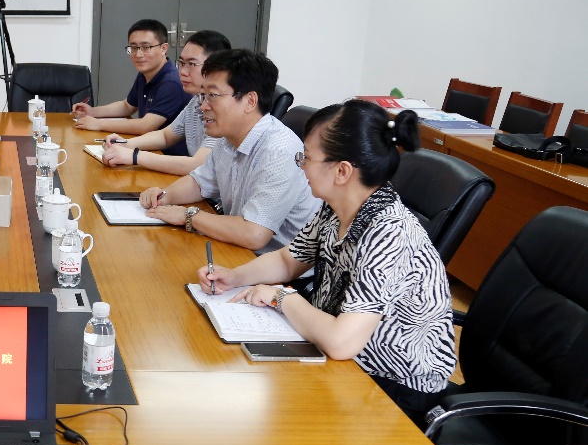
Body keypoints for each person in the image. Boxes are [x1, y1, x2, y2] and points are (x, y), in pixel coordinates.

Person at [199, 101, 455, 423]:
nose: (301, 166)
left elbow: (341, 342)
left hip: (393, 386)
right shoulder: (337, 206)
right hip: (342, 359)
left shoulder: (389, 234)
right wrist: (234, 277)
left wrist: (281, 296)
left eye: (306, 157)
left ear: (342, 171)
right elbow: (289, 260)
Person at [139, 49, 318, 253]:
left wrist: (189, 215)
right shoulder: (228, 138)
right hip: (239, 250)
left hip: (274, 264)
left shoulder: (279, 151)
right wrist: (165, 195)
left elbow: (254, 234)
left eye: (213, 96)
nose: (203, 106)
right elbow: (200, 182)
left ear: (250, 101)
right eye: (203, 95)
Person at [101, 29, 232, 174]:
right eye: (181, 63)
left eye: (191, 64)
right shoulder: (196, 101)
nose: (183, 71)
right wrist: (125, 144)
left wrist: (135, 156)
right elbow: (165, 136)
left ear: (216, 68)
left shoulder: (223, 109)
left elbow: (197, 165)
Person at [70, 18, 187, 136]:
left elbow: (146, 126)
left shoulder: (171, 82)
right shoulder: (145, 74)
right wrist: (92, 112)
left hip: (166, 148)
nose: (138, 54)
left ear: (163, 49)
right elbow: (127, 106)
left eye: (146, 47)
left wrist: (98, 124)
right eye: (134, 48)